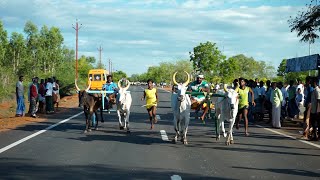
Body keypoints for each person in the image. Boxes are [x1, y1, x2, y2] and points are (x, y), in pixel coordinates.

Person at [309, 77, 320, 141]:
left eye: (312, 82)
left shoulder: (317, 90)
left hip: (316, 110)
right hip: (313, 110)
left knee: (316, 123)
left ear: (315, 83)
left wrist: (317, 110)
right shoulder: (314, 90)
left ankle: (316, 136)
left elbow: (318, 100)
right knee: (313, 123)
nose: (311, 83)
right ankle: (315, 135)